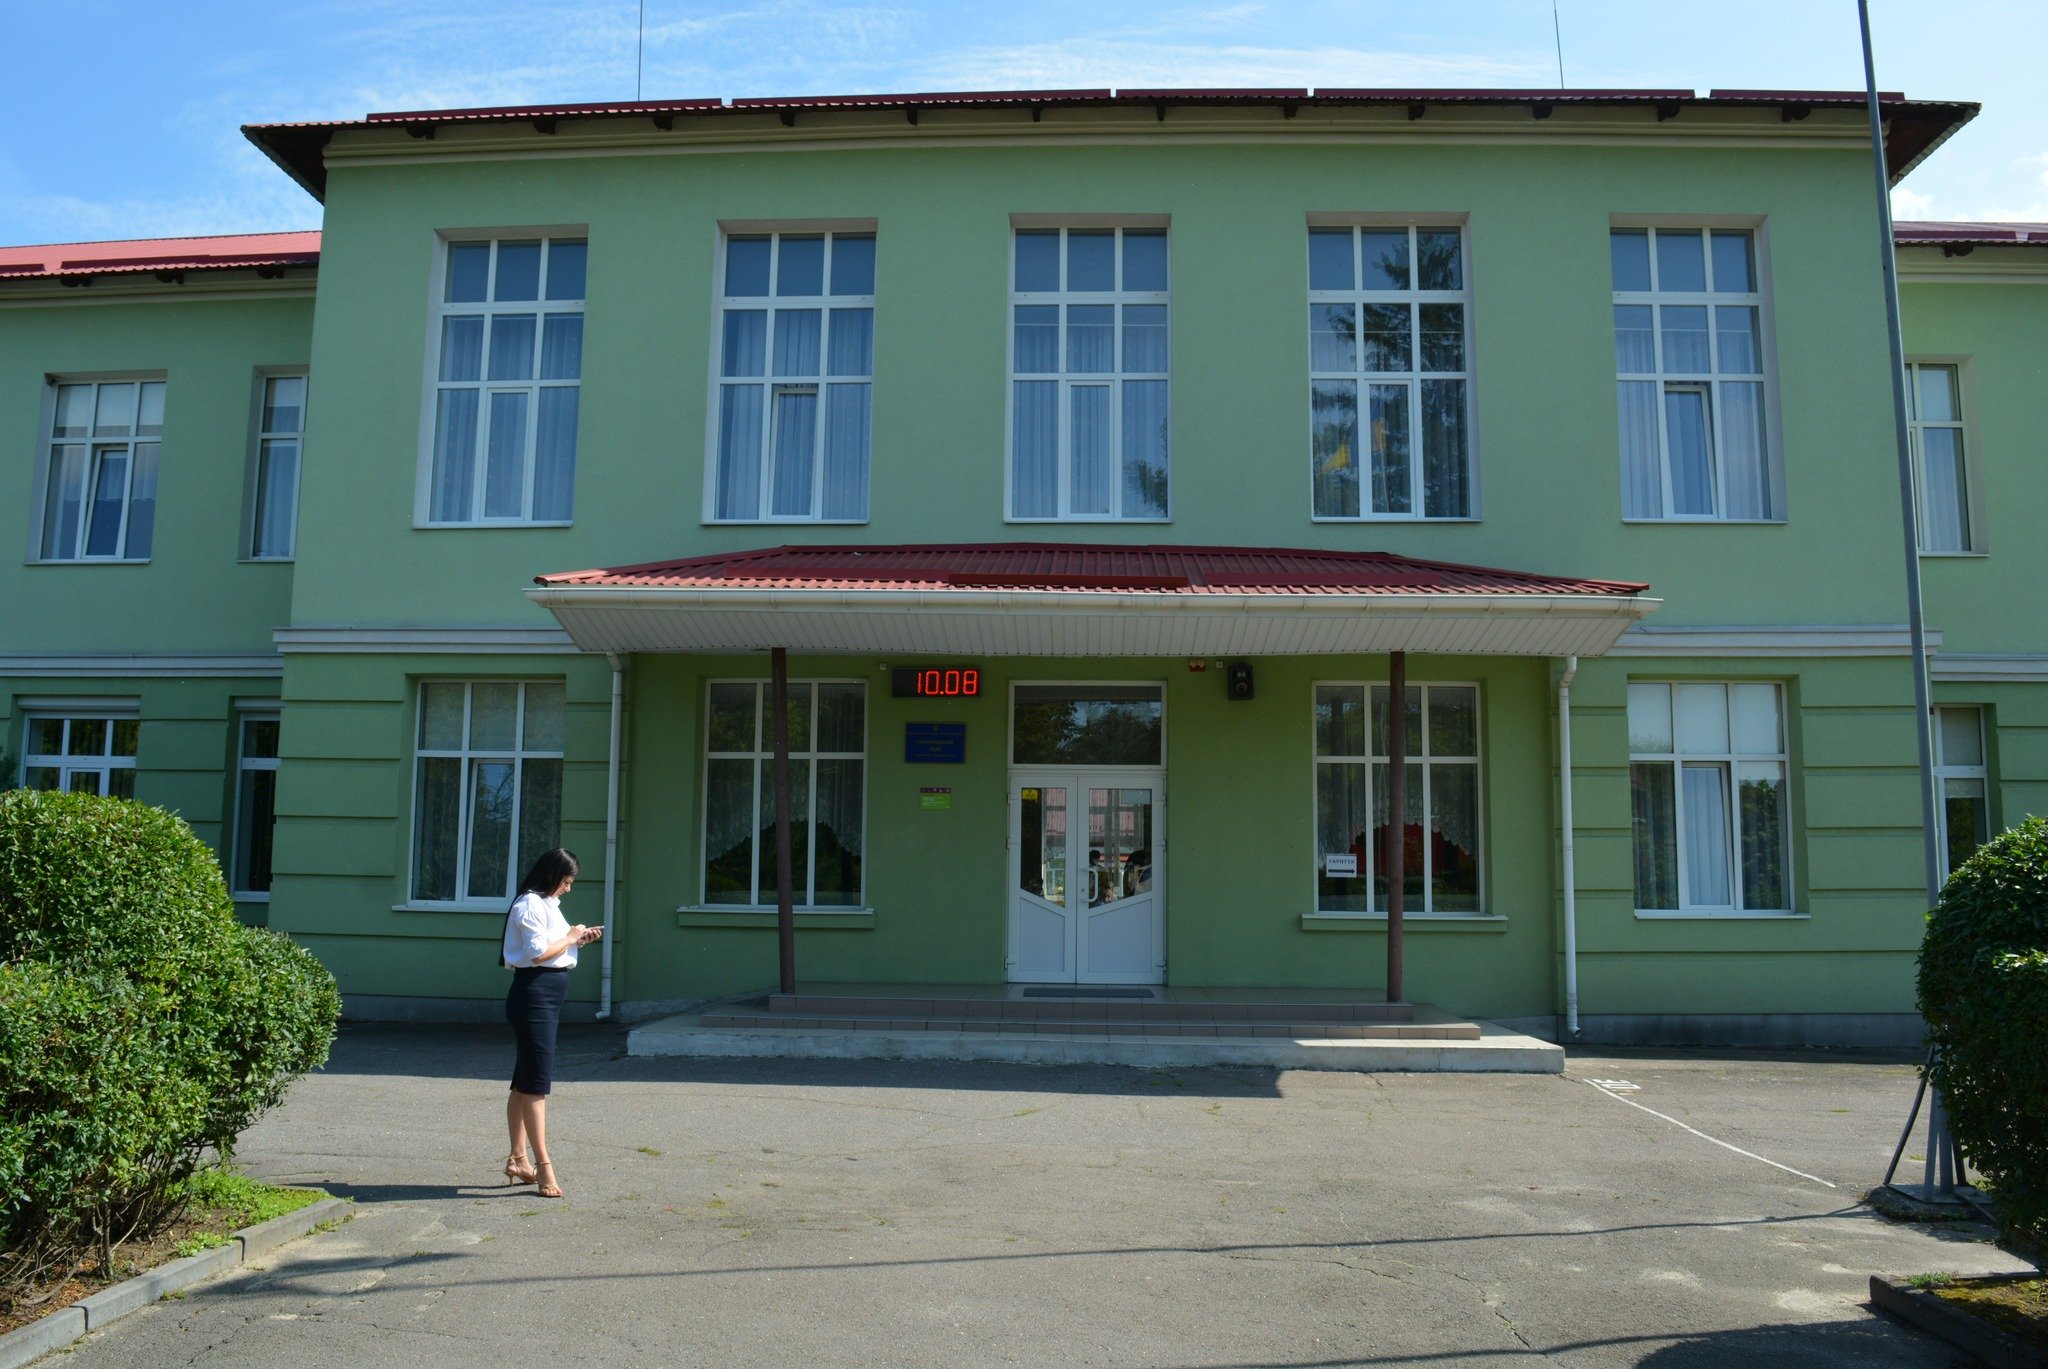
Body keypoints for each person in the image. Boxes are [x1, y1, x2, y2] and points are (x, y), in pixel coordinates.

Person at [501, 848, 600, 1198]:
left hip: (544, 995)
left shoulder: (547, 904)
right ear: (550, 875)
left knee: (524, 1081)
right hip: (534, 996)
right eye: (566, 881)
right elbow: (536, 954)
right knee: (536, 1086)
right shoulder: (529, 904)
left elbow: (552, 949)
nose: (568, 888)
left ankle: (518, 1158)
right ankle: (544, 1167)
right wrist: (570, 937)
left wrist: (577, 941)